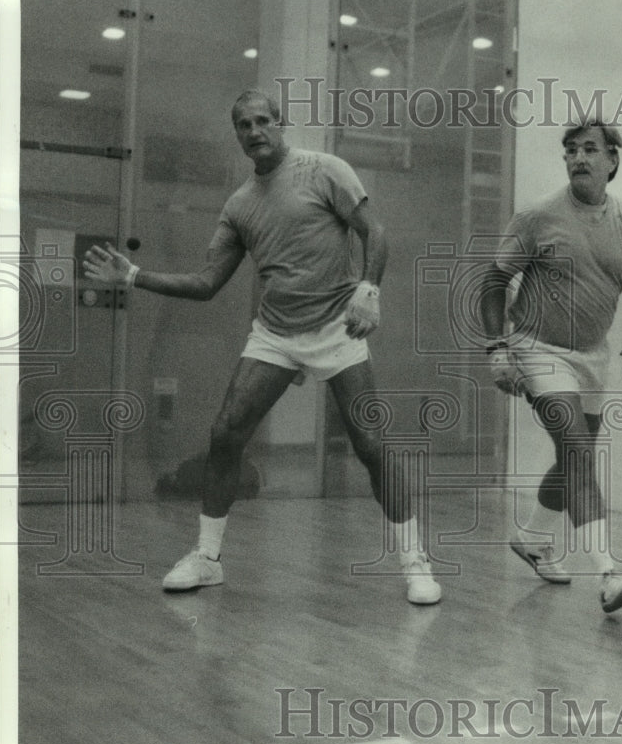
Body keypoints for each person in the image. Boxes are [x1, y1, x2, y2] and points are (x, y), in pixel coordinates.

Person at [83, 88, 441, 605]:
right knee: (225, 433)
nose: (254, 132)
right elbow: (207, 283)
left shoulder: (325, 170)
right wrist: (135, 275)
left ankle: (415, 562)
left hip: (338, 329)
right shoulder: (240, 205)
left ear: (281, 122)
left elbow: (375, 230)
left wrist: (369, 288)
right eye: (243, 126)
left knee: (370, 446)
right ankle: (207, 559)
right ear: (238, 136)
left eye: (261, 121)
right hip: (275, 334)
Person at [479, 120, 622, 613]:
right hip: (536, 347)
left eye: (590, 150)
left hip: (593, 355)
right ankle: (609, 573)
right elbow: (494, 283)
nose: (579, 158)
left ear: (612, 160)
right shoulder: (538, 217)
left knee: (571, 457)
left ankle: (534, 537)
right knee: (578, 449)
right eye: (571, 150)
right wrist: (497, 350)